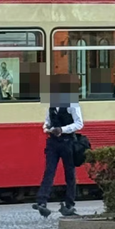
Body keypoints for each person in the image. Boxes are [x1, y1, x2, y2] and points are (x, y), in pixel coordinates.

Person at [33, 74, 83, 217]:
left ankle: (69, 203)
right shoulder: (52, 104)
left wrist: (62, 129)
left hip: (68, 142)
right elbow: (47, 121)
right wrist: (47, 128)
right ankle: (42, 201)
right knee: (49, 171)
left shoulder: (72, 104)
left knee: (70, 173)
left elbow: (79, 123)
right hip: (53, 142)